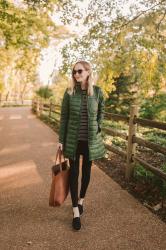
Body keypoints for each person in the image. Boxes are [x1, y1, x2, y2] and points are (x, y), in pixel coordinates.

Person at [57, 60, 106, 230]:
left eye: (79, 71)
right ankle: (75, 211)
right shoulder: (69, 92)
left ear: (87, 72)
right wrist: (61, 140)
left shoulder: (98, 92)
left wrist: (98, 126)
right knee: (73, 173)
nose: (76, 74)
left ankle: (81, 199)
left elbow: (101, 111)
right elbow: (64, 117)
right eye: (74, 72)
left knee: (86, 172)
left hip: (90, 140)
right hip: (73, 140)